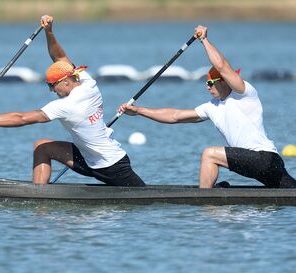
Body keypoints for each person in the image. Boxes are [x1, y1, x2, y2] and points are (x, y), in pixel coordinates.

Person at [0, 15, 145, 186]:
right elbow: (59, 58)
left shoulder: (67, 105)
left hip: (111, 165)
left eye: (52, 86)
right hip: (88, 159)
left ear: (65, 81)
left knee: (141, 194)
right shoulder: (87, 81)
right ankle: (39, 195)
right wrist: (49, 32)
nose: (51, 90)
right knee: (42, 147)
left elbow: (22, 118)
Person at [118, 25, 296, 189]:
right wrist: (139, 111)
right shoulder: (212, 107)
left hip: (265, 159)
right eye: (206, 83)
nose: (207, 86)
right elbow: (175, 116)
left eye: (211, 82)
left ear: (225, 81)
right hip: (259, 163)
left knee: (209, 154)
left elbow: (222, 66)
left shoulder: (244, 94)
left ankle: (205, 200)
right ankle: (213, 194)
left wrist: (204, 39)